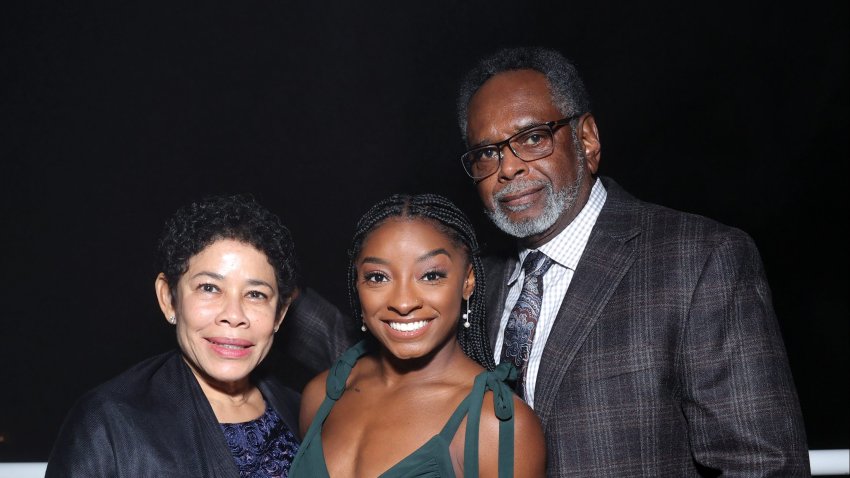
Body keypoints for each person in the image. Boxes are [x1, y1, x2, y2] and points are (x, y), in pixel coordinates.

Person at [452, 47, 810, 476]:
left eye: (532, 138)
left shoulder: (698, 258)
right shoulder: (472, 285)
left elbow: (763, 466)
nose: (507, 167)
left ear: (586, 139)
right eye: (486, 153)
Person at [289, 193, 546, 477]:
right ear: (357, 284)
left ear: (468, 281)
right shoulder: (321, 396)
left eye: (431, 276)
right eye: (378, 277)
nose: (403, 302)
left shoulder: (495, 426)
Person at [46, 194, 302, 478]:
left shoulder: (304, 414)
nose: (233, 314)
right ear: (169, 298)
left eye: (255, 294)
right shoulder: (108, 423)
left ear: (279, 314)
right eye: (209, 288)